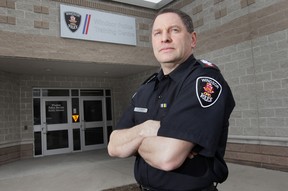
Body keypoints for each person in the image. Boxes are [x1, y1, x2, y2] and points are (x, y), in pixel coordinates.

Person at [108, 8, 235, 191]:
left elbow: (167, 157)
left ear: (192, 39)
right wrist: (147, 129)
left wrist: (133, 143)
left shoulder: (203, 81)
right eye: (157, 33)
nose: (164, 38)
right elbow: (114, 145)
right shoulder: (146, 89)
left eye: (174, 30)